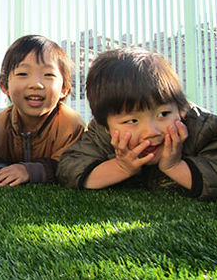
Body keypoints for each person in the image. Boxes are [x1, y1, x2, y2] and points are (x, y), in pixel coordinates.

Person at [57, 47, 217, 200]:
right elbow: (70, 167)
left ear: (181, 110)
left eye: (163, 114)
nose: (151, 131)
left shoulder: (203, 128)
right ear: (107, 128)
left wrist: (175, 166)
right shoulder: (101, 135)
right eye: (132, 121)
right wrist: (121, 167)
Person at [0, 35, 85, 186]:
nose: (36, 84)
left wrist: (30, 171)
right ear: (4, 86)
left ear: (64, 89)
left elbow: (72, 165)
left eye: (48, 75)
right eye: (22, 74)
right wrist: (0, 171)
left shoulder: (72, 126)